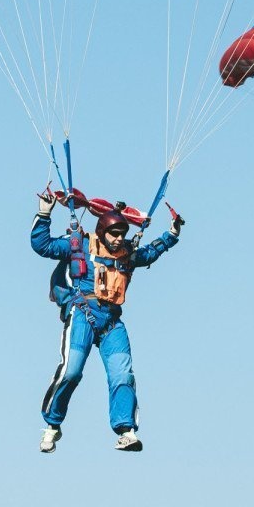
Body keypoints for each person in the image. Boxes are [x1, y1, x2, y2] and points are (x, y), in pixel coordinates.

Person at [31, 191, 182, 453]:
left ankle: (126, 431)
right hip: (83, 314)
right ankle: (52, 425)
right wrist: (44, 213)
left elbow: (150, 254)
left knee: (123, 374)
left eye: (122, 234)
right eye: (114, 234)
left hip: (112, 321)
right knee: (72, 371)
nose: (119, 239)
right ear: (103, 231)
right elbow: (42, 246)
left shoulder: (128, 254)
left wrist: (172, 234)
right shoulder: (80, 245)